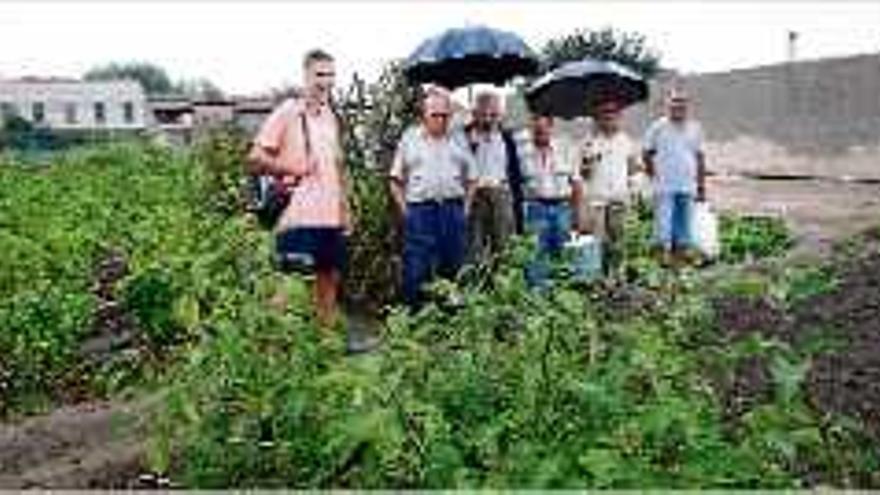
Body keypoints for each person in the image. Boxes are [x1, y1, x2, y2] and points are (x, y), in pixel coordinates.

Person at [247, 49, 352, 327]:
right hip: (297, 218)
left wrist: (345, 209)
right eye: (319, 74)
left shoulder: (331, 117)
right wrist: (293, 168)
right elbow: (255, 158)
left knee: (328, 283)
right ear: (305, 75)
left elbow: (338, 167)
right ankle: (275, 357)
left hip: (330, 218)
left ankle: (324, 352)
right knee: (289, 290)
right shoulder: (289, 112)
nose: (325, 82)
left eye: (330, 75)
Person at [390, 87, 476, 308]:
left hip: (452, 209)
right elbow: (395, 180)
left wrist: (465, 208)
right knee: (417, 268)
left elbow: (473, 178)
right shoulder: (410, 138)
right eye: (435, 115)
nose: (440, 120)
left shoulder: (458, 139)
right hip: (420, 211)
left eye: (445, 115)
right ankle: (414, 319)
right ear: (424, 116)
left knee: (454, 264)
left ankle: (451, 323)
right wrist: (406, 212)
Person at [518, 114, 585, 289]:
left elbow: (576, 183)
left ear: (551, 126)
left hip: (562, 207)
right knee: (535, 254)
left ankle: (564, 291)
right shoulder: (522, 153)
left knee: (564, 251)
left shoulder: (565, 148)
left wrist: (578, 215)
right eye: (536, 129)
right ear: (530, 128)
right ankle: (538, 294)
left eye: (543, 129)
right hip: (535, 207)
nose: (540, 132)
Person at [642, 88, 707, 265]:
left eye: (682, 102)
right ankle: (662, 253)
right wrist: (653, 173)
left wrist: (701, 185)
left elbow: (700, 157)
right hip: (664, 184)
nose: (678, 105)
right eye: (674, 101)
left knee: (684, 221)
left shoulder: (696, 128)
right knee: (663, 220)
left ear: (688, 106)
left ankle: (681, 253)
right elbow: (646, 152)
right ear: (667, 104)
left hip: (687, 184)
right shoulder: (658, 126)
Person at [461, 91, 524, 264]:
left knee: (504, 247)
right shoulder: (463, 136)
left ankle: (504, 286)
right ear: (475, 114)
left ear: (500, 114)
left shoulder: (507, 137)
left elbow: (514, 173)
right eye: (484, 114)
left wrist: (515, 201)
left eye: (493, 114)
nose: (488, 118)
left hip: (501, 193)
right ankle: (476, 284)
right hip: (475, 195)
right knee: (474, 248)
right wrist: (470, 148)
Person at [580, 99, 642, 273]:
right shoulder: (590, 142)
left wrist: (634, 190)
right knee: (598, 242)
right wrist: (587, 161)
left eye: (612, 112)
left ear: (619, 116)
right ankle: (600, 279)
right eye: (604, 113)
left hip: (619, 199)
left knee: (619, 242)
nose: (609, 116)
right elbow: (583, 174)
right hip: (597, 200)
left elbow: (634, 169)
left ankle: (618, 277)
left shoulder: (626, 141)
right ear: (598, 118)